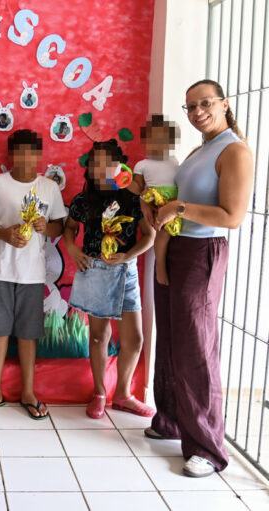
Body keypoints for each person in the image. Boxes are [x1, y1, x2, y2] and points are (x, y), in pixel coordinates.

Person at [146, 79, 253, 478]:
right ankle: (171, 421)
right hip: (173, 248)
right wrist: (155, 205)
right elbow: (175, 201)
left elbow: (232, 217)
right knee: (170, 338)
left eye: (205, 103)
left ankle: (207, 447)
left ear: (224, 104)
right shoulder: (199, 150)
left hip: (201, 253)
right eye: (190, 107)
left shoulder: (235, 151)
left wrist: (178, 208)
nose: (197, 112)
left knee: (196, 346)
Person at [0, 129, 67, 419]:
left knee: (28, 334)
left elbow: (59, 226)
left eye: (32, 153)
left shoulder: (49, 187)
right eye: (20, 152)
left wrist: (45, 227)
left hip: (33, 273)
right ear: (11, 155)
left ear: (39, 156)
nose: (26, 158)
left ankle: (28, 392)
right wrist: (4, 234)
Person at [64, 139, 156, 422]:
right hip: (94, 271)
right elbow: (69, 229)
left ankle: (124, 395)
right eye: (95, 163)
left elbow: (149, 236)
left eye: (108, 163)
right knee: (98, 336)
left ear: (121, 167)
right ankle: (100, 392)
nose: (101, 168)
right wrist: (73, 248)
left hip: (126, 272)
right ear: (89, 168)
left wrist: (128, 255)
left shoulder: (133, 199)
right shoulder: (83, 200)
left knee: (135, 338)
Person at [126, 115, 180, 285]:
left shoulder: (174, 161)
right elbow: (137, 187)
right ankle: (160, 268)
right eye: (152, 141)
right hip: (156, 200)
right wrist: (123, 180)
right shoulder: (142, 164)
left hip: (173, 200)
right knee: (162, 233)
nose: (157, 145)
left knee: (173, 232)